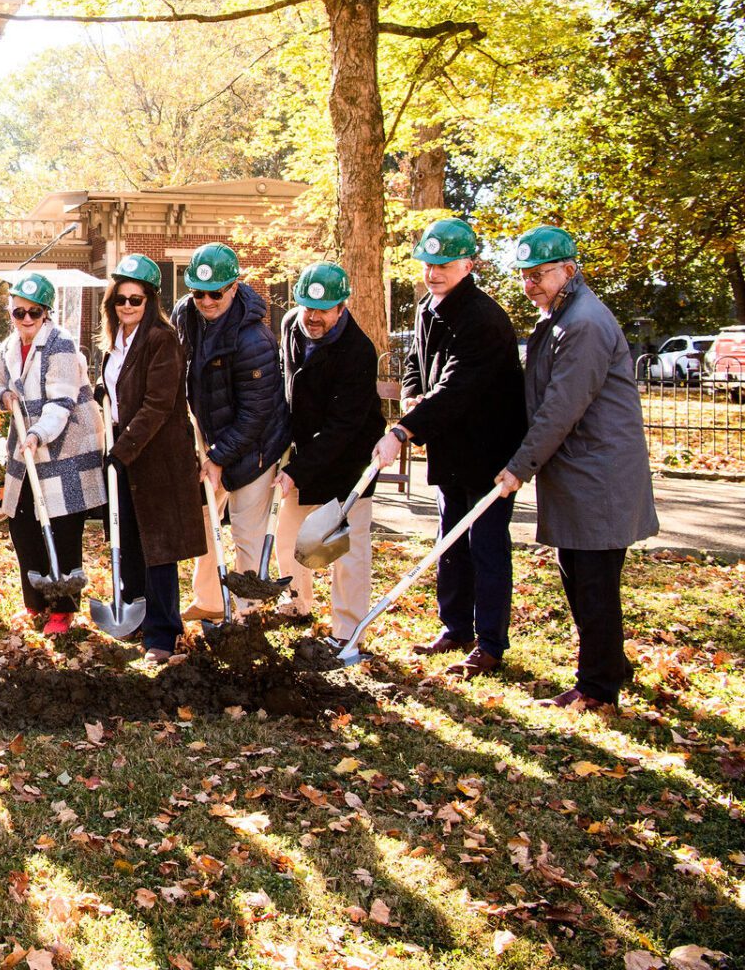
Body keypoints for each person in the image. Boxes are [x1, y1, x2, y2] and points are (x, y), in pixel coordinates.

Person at [496, 227, 657, 714]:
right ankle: (610, 665)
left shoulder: (582, 322)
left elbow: (562, 407)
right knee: (585, 576)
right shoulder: (561, 315)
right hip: (581, 471)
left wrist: (519, 467)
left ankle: (598, 688)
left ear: (568, 269)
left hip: (598, 475)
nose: (531, 285)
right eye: (525, 276)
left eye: (540, 274)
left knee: (592, 581)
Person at [374, 217, 528, 679]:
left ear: (469, 264)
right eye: (428, 264)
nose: (434, 272)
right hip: (450, 447)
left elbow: (460, 385)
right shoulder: (427, 307)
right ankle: (455, 627)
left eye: (444, 265)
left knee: (485, 545)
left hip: (488, 450)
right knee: (450, 542)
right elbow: (419, 364)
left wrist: (404, 429)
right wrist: (410, 394)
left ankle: (490, 644)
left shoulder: (483, 318)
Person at [172, 242, 291, 620]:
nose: (206, 301)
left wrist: (220, 457)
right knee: (206, 524)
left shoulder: (253, 339)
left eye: (215, 293)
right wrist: (205, 449)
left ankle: (246, 613)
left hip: (255, 445)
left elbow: (256, 412)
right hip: (208, 434)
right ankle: (208, 603)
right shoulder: (186, 316)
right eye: (198, 292)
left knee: (246, 531)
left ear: (234, 287)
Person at [97, 255, 204, 662]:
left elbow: (158, 405)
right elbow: (115, 391)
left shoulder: (162, 340)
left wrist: (120, 453)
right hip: (126, 453)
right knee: (128, 542)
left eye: (136, 300)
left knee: (158, 547)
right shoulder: (116, 342)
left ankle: (162, 634)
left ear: (150, 301)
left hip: (156, 457)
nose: (127, 306)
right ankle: (134, 617)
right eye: (121, 300)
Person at [272, 261, 384, 641]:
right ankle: (296, 605)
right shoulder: (291, 326)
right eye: (306, 307)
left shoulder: (358, 351)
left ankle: (348, 631)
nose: (313, 317)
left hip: (348, 461)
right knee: (288, 537)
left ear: (342, 306)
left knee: (346, 553)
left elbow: (343, 428)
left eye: (322, 310)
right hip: (303, 453)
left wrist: (297, 470)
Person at [0, 272, 107, 638]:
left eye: (34, 312)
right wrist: (4, 398)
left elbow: (61, 402)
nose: (26, 319)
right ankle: (36, 601)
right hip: (26, 448)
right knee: (23, 521)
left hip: (64, 448)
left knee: (60, 525)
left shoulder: (61, 344)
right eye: (19, 312)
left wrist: (37, 434)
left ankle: (63, 609)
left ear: (47, 313)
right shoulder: (10, 346)